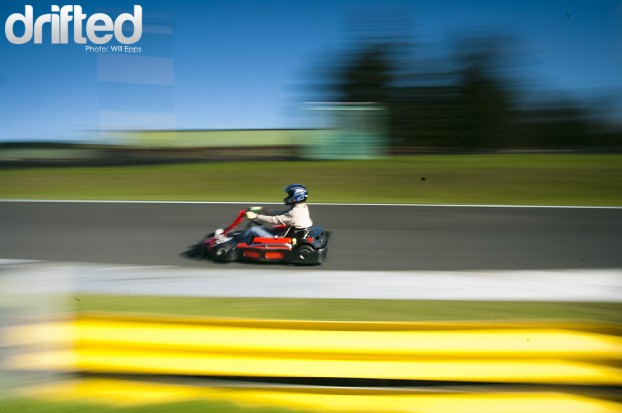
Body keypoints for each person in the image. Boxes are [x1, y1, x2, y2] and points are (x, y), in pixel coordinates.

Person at [240, 184, 313, 243]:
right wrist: (264, 210)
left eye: (290, 195)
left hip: (281, 239)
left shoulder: (294, 213)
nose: (288, 197)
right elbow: (283, 213)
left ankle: (239, 244)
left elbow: (274, 220)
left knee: (253, 229)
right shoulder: (302, 207)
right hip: (292, 234)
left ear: (297, 196)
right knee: (262, 228)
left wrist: (256, 216)